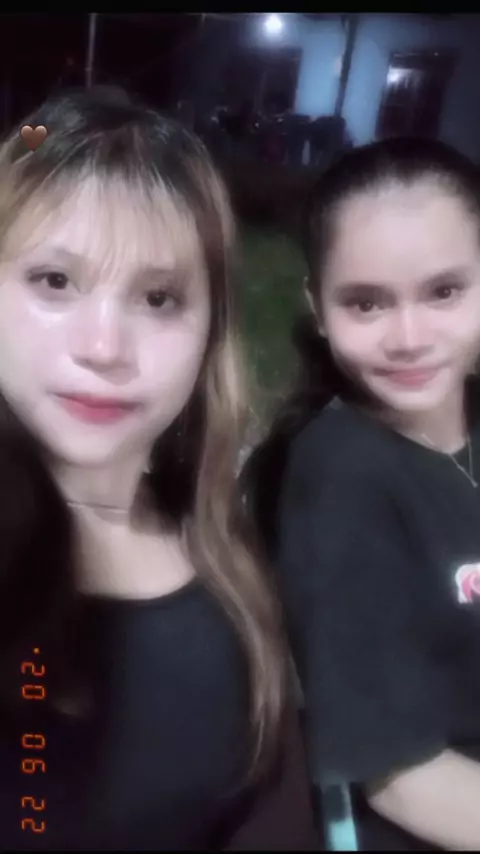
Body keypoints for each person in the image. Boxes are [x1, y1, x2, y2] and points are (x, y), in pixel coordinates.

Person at [0, 85, 319, 851]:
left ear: (211, 332)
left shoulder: (235, 570)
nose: (104, 347)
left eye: (158, 298)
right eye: (54, 281)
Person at [242, 137, 480, 850]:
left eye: (444, 291)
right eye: (366, 303)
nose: (409, 337)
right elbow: (403, 780)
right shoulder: (342, 477)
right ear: (318, 309)